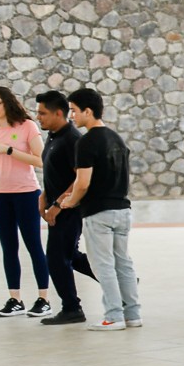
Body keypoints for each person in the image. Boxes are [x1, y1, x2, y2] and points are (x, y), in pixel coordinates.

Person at [60, 87, 140, 332]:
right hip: (122, 210)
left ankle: (113, 316)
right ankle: (132, 314)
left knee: (103, 265)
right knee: (123, 263)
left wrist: (70, 201)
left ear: (88, 111)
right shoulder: (117, 138)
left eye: (74, 111)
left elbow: (83, 183)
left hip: (98, 212)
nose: (72, 116)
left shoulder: (86, 142)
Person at [0, 85, 51, 317]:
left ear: (8, 102)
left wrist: (9, 150)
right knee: (8, 247)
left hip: (25, 193)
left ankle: (44, 299)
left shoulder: (27, 126)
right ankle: (15, 299)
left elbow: (41, 160)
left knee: (33, 245)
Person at [35, 90, 93, 326]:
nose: (38, 117)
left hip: (68, 210)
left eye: (42, 113)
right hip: (55, 206)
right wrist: (44, 195)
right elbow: (55, 172)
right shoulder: (53, 136)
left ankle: (72, 308)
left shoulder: (72, 139)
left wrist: (58, 205)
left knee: (57, 259)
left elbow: (78, 178)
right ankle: (122, 280)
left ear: (59, 113)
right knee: (71, 256)